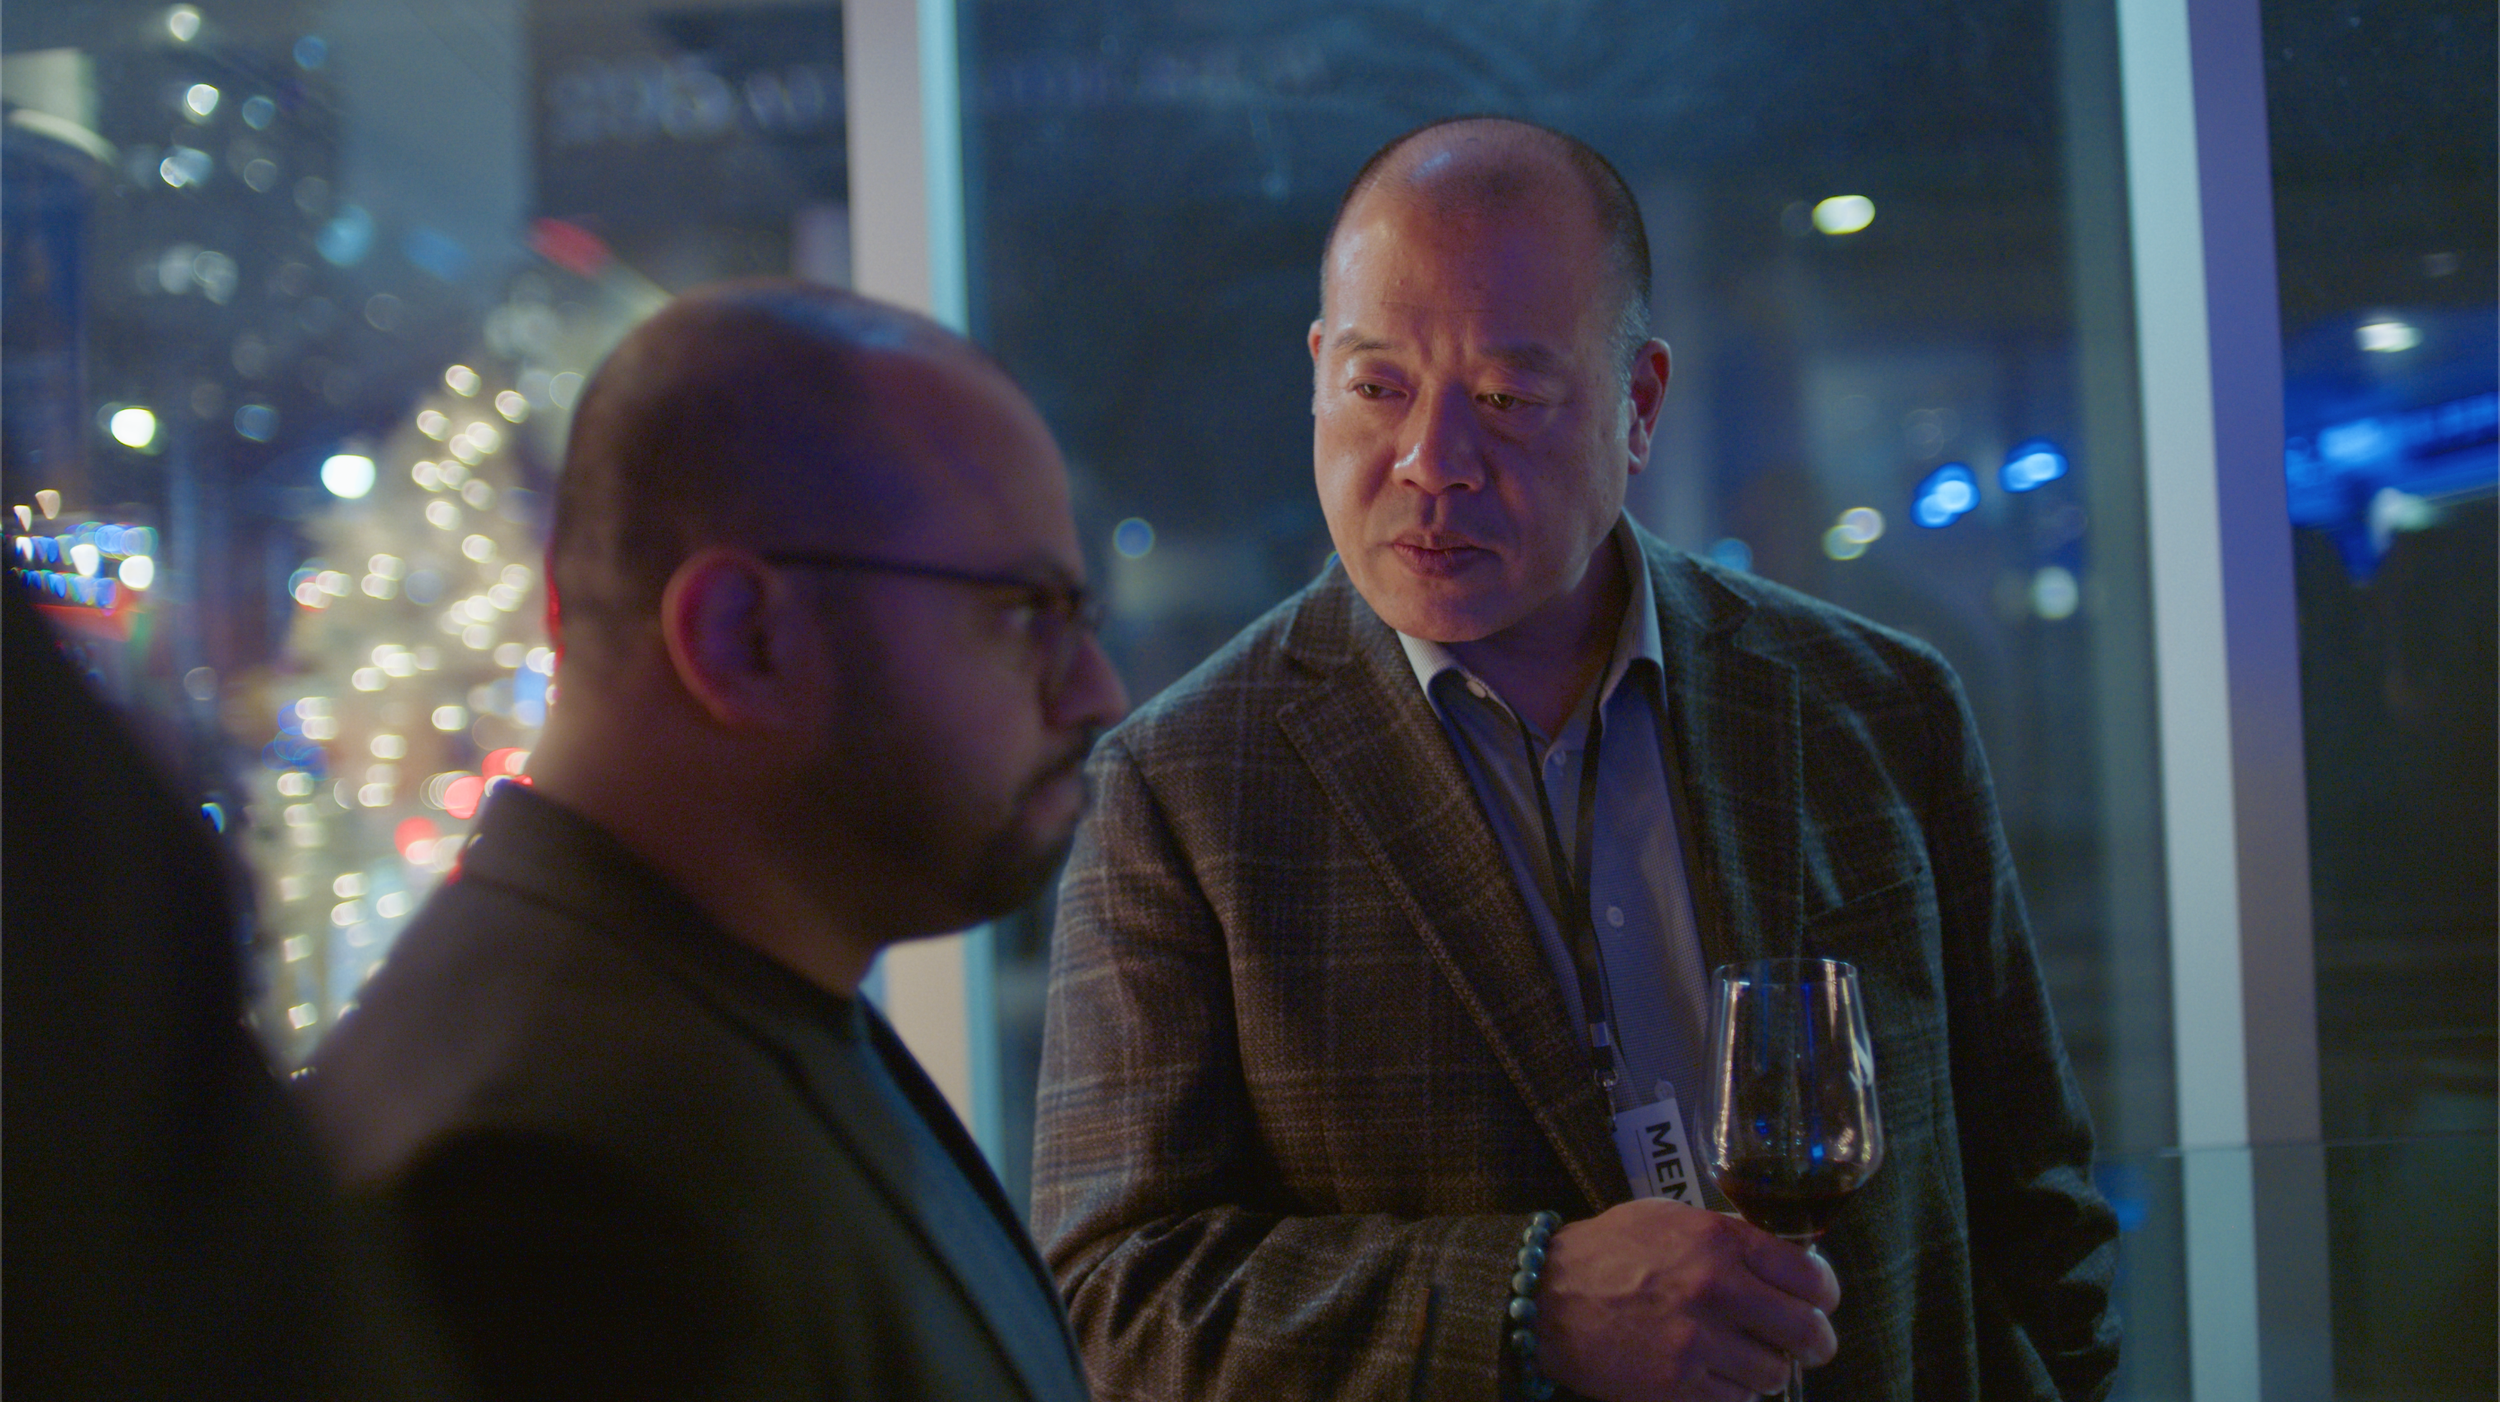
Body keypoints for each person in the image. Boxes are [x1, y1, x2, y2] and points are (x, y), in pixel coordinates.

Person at [1031, 118, 2119, 1402]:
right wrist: (1524, 1301)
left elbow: (2032, 1209)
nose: (1432, 460)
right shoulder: (1184, 787)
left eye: (1507, 397)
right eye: (1378, 387)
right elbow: (1117, 1302)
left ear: (1640, 403)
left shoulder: (1877, 709)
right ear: (1319, 370)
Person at [304, 281, 1125, 1402]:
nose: (1095, 690)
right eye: (1025, 610)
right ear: (741, 638)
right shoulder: (539, 1200)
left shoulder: (726, 1002)